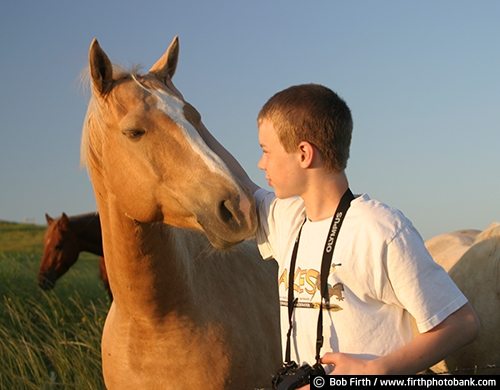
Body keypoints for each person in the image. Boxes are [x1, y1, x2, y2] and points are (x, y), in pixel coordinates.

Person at [166, 79, 479, 385]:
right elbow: (241, 183)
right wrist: (189, 117)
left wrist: (378, 370)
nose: (261, 164)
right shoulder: (286, 218)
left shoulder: (380, 229)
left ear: (304, 154)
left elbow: (461, 323)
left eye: (266, 150)